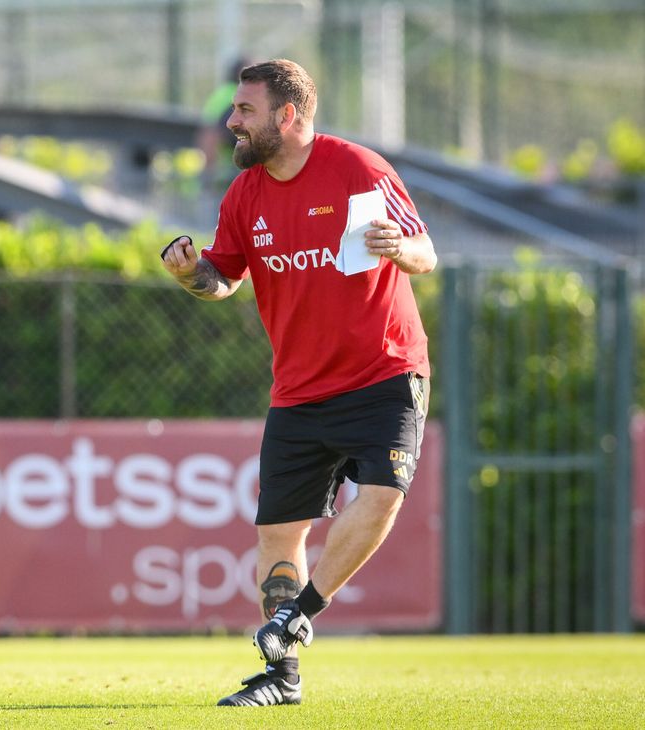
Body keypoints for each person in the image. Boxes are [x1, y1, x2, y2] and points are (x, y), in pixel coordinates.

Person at [160, 58, 437, 707]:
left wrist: (398, 247)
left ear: (287, 116)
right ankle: (282, 677)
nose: (231, 121)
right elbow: (224, 278)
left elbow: (426, 252)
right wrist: (190, 272)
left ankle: (297, 615)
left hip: (384, 372)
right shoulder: (245, 194)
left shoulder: (359, 171)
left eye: (245, 111)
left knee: (381, 496)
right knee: (279, 537)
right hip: (299, 391)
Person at [197, 56, 250, 190]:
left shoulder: (221, 93)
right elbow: (212, 135)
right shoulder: (238, 96)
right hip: (226, 173)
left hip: (219, 170)